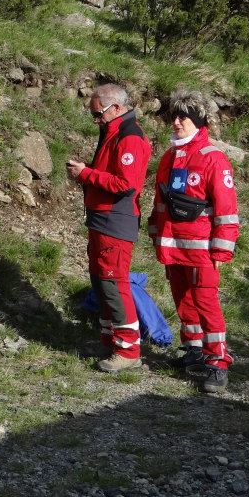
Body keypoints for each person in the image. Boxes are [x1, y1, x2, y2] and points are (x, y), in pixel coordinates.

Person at [148, 89, 239, 393]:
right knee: (183, 302)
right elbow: (160, 202)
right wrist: (154, 231)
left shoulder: (214, 159)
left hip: (202, 252)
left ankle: (218, 362)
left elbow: (227, 210)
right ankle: (195, 351)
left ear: (199, 121)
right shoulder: (170, 156)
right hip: (173, 248)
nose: (176, 121)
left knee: (206, 304)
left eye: (183, 116)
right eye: (174, 116)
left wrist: (221, 250)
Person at [66, 83, 152, 373]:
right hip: (101, 216)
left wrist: (86, 174)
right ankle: (110, 339)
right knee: (101, 280)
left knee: (114, 283)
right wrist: (86, 172)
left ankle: (128, 350)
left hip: (116, 219)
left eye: (98, 114)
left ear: (116, 108)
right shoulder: (112, 131)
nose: (95, 119)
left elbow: (125, 184)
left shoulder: (130, 137)